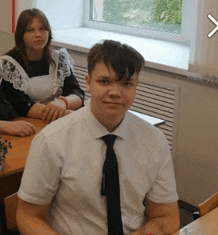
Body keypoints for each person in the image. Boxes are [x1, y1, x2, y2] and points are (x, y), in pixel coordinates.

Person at [16, 40, 180, 235]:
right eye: (104, 81)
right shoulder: (51, 141)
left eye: (126, 83)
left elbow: (167, 216)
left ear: (136, 86)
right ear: (88, 82)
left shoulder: (154, 141)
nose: (115, 92)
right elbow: (28, 216)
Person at [0, 8, 84, 123]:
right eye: (30, 30)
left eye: (42, 29)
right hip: (26, 123)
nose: (38, 35)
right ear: (21, 35)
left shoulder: (59, 59)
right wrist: (66, 113)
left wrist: (64, 102)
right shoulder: (9, 65)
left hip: (55, 119)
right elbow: (24, 107)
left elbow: (78, 93)